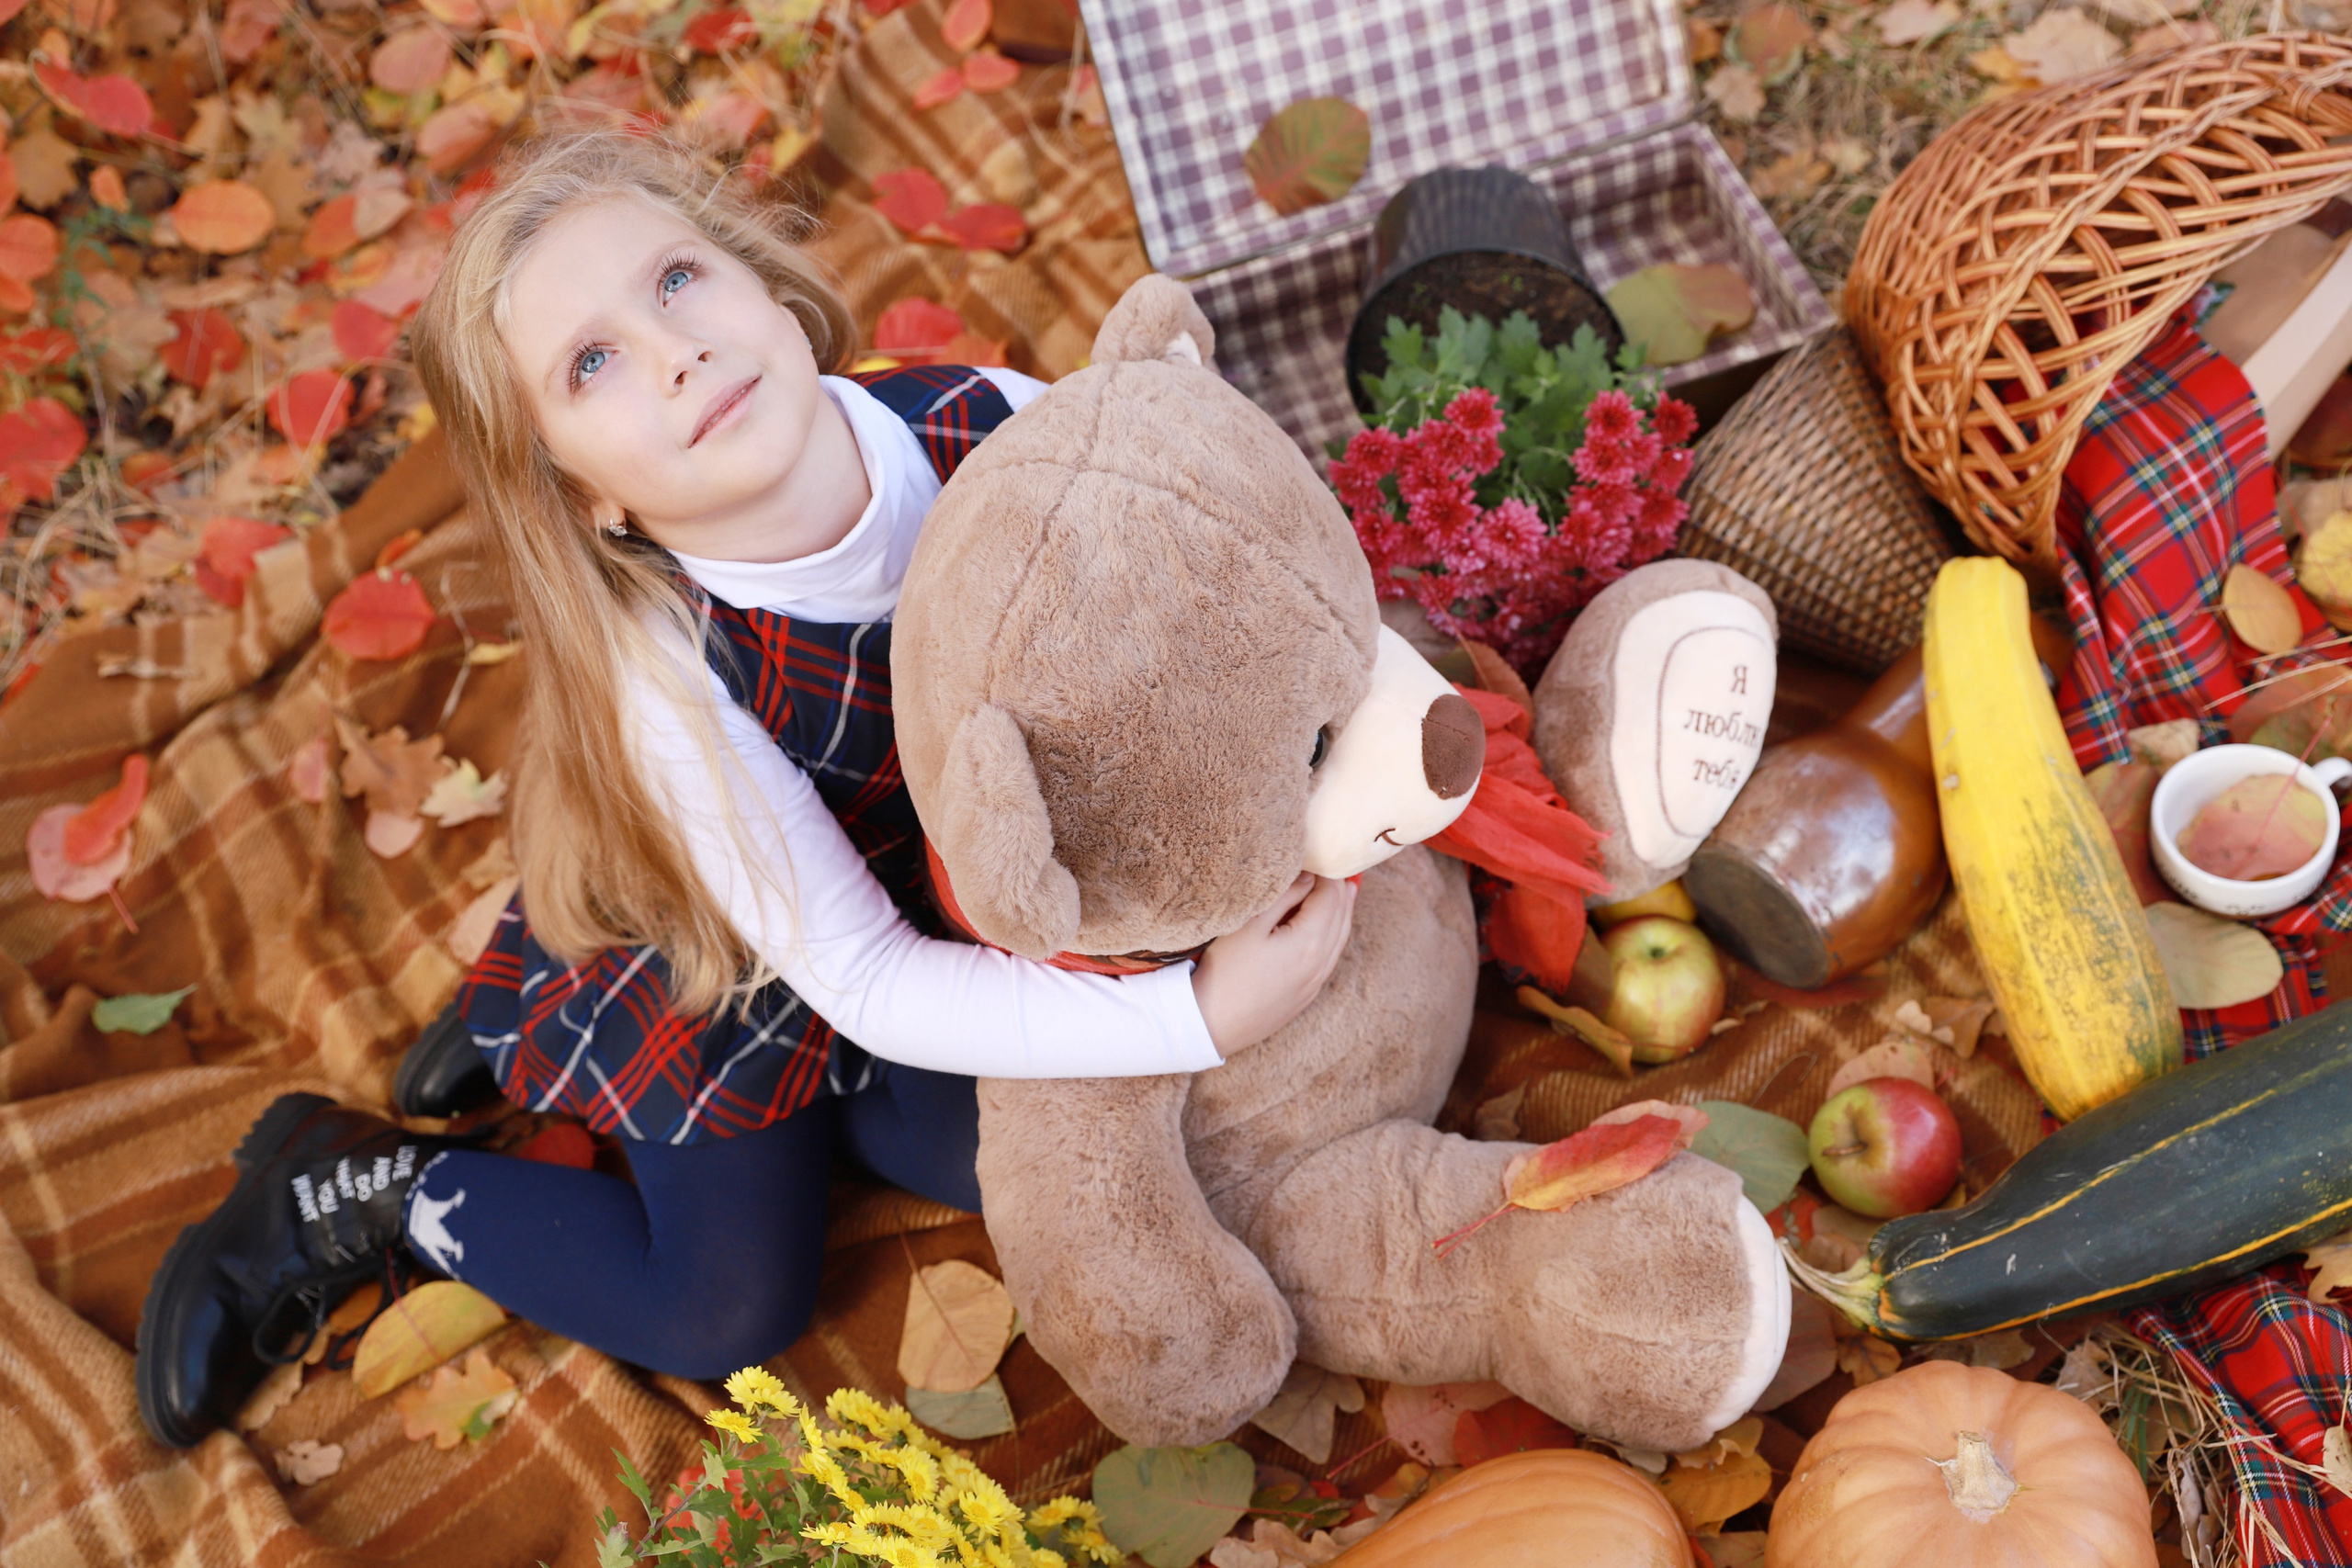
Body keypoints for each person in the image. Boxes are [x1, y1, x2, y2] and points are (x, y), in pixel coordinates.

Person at [135, 128, 1357, 1449]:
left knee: (999, 1145)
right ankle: (363, 1185)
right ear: (583, 496)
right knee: (723, 1305)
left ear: (770, 292)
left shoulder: (1002, 425)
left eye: (677, 281)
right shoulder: (667, 679)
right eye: (592, 363)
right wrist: (1192, 1016)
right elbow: (863, 977)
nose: (674, 350)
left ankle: (552, 1017)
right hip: (742, 943)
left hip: (949, 889)